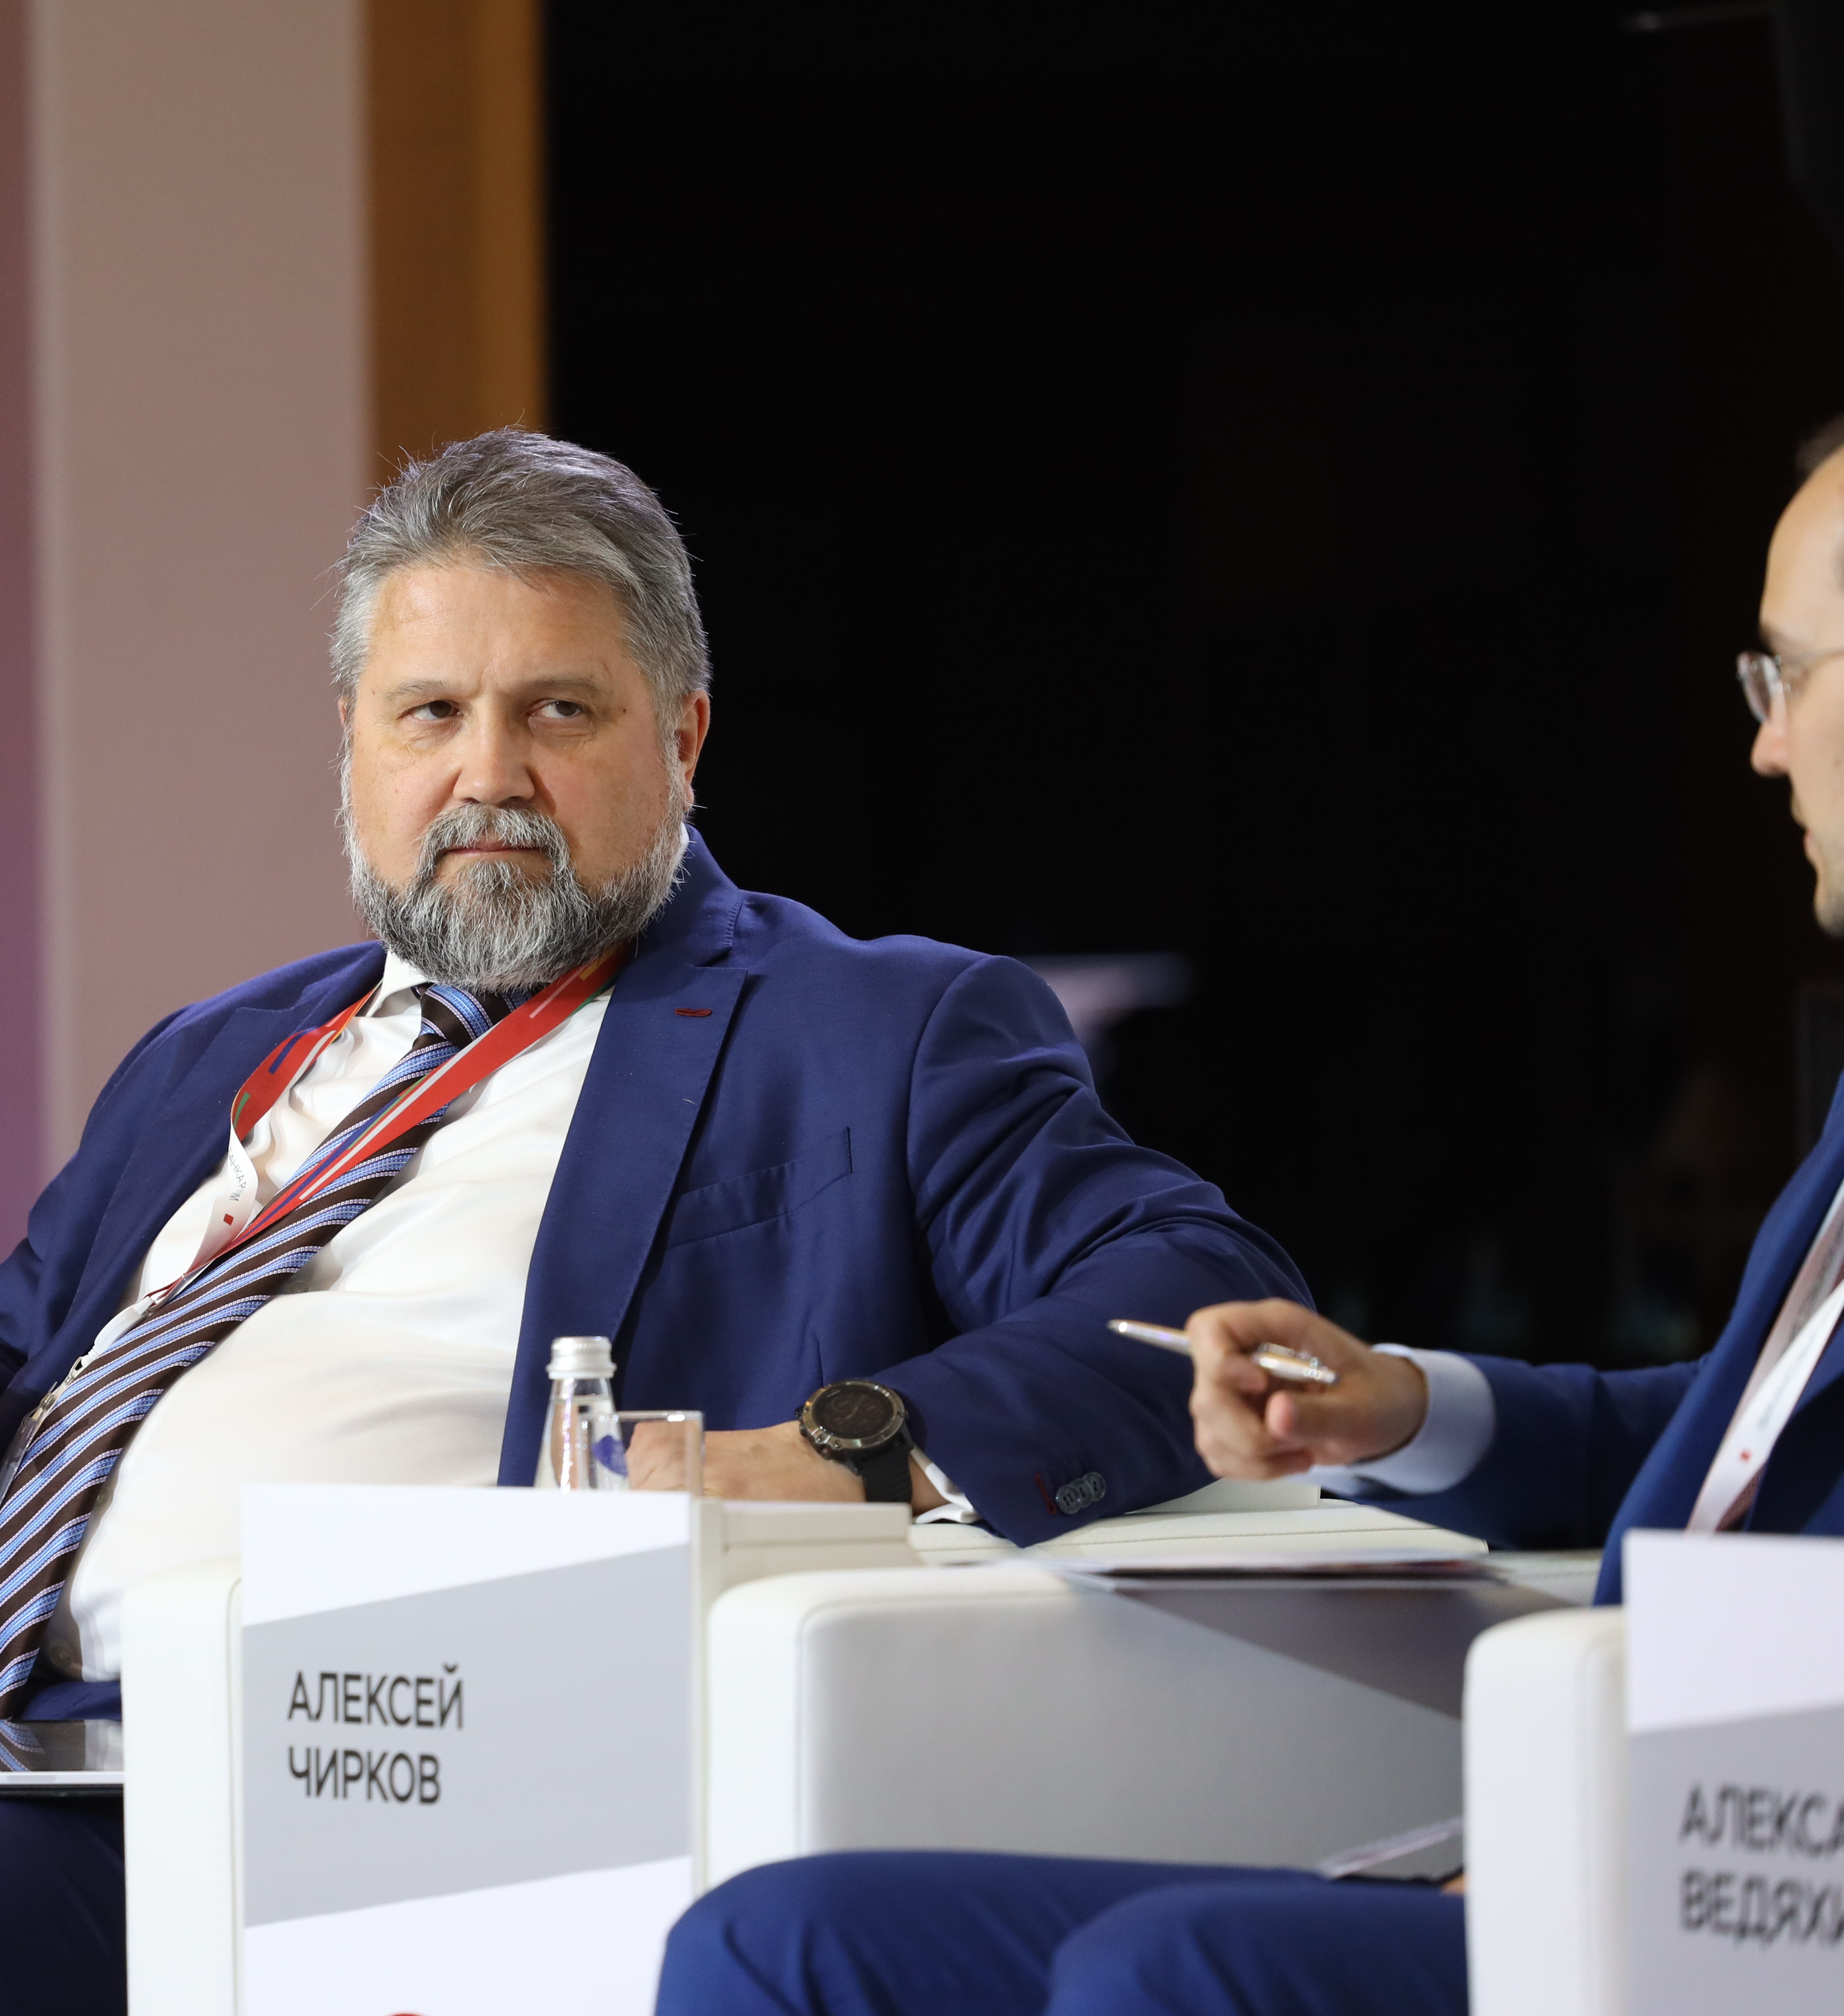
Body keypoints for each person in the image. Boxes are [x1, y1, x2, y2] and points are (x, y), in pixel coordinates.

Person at [0, 429, 1301, 2016]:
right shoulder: (223, 1048)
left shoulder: (869, 1030)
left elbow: (1199, 1296)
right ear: (354, 743)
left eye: (558, 713)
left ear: (684, 739)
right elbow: (26, 1314)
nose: (487, 777)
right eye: (429, 714)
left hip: (350, 1755)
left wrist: (846, 1448)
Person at [652, 428, 1844, 2016]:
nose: (1764, 748)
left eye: (1789, 676)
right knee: (777, 1941)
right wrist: (1403, 1406)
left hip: (1749, 1896)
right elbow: (1733, 1457)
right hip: (1590, 1844)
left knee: (1169, 1972)